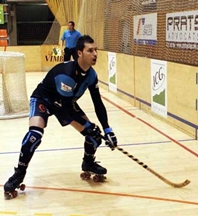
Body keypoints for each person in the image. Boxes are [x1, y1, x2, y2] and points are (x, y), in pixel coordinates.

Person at [3, 35, 118, 199]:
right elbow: (64, 111)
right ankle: (19, 174)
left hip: (65, 102)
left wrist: (108, 130)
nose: (95, 54)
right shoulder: (67, 75)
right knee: (34, 136)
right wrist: (90, 127)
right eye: (90, 50)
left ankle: (88, 162)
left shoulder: (92, 76)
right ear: (79, 53)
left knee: (94, 137)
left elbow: (98, 104)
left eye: (96, 50)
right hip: (45, 99)